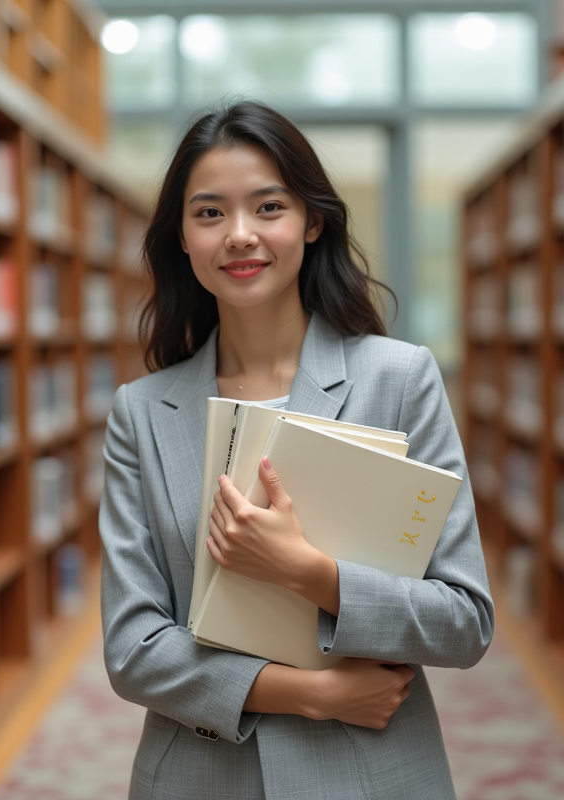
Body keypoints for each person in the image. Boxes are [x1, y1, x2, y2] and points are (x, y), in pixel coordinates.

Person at [99, 100, 494, 800]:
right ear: (182, 239)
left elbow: (464, 622)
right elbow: (133, 650)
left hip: (367, 774)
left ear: (312, 221)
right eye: (210, 213)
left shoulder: (400, 380)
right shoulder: (141, 412)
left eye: (268, 207)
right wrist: (312, 694)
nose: (240, 236)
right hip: (199, 774)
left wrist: (310, 573)